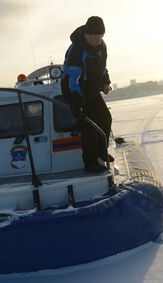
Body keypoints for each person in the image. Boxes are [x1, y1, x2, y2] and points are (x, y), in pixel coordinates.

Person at [61, 16, 113, 173]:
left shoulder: (101, 47)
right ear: (87, 34)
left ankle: (102, 152)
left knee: (105, 118)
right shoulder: (76, 49)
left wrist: (105, 81)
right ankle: (90, 163)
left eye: (101, 36)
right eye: (96, 36)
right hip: (75, 89)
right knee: (89, 125)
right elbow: (73, 77)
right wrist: (77, 102)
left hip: (91, 88)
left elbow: (103, 68)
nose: (99, 39)